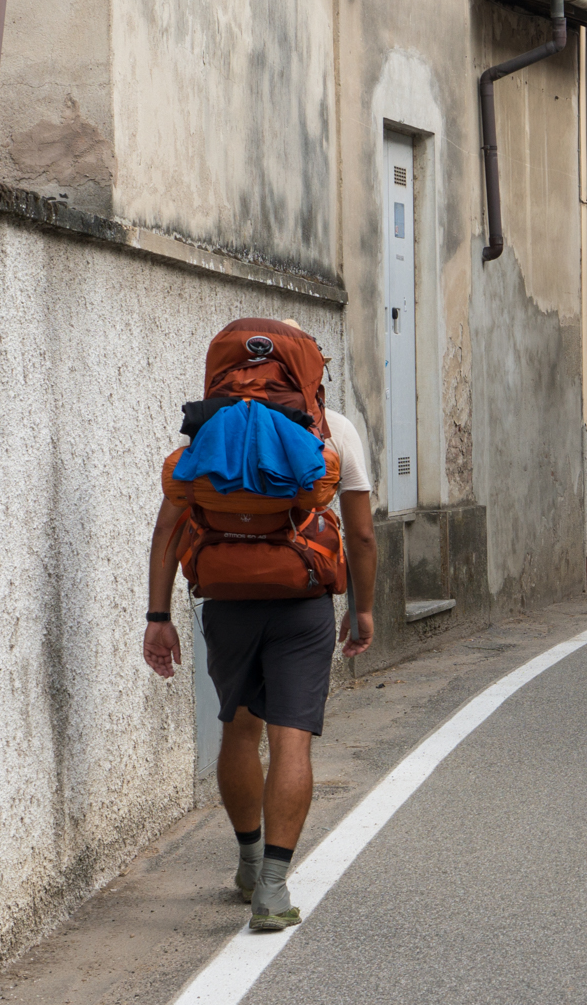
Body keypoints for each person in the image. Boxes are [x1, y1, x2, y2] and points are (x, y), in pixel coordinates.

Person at [142, 321, 376, 932]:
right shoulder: (333, 429)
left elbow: (169, 527)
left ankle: (247, 863)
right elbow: (364, 533)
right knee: (291, 739)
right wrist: (365, 607)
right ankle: (273, 889)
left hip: (225, 596)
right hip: (300, 598)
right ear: (309, 370)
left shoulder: (208, 425)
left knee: (239, 730)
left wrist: (158, 616)